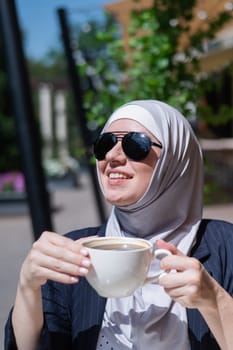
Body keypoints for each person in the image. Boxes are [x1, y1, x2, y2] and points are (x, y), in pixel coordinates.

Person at [4, 100, 233, 350]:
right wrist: (28, 286)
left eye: (136, 145)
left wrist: (214, 299)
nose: (112, 156)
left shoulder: (226, 247)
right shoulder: (73, 254)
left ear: (175, 160)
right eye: (105, 144)